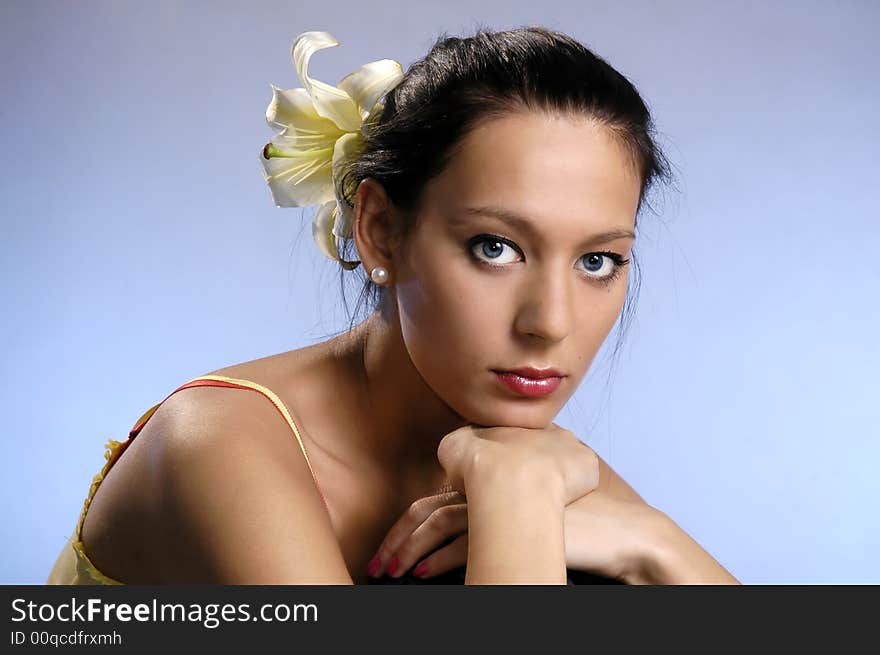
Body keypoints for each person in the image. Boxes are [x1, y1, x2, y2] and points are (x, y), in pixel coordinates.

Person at [48, 26, 739, 585]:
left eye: (597, 261)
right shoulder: (218, 441)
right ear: (380, 229)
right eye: (495, 248)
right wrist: (520, 504)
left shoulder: (526, 451)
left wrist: (653, 542)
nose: (549, 323)